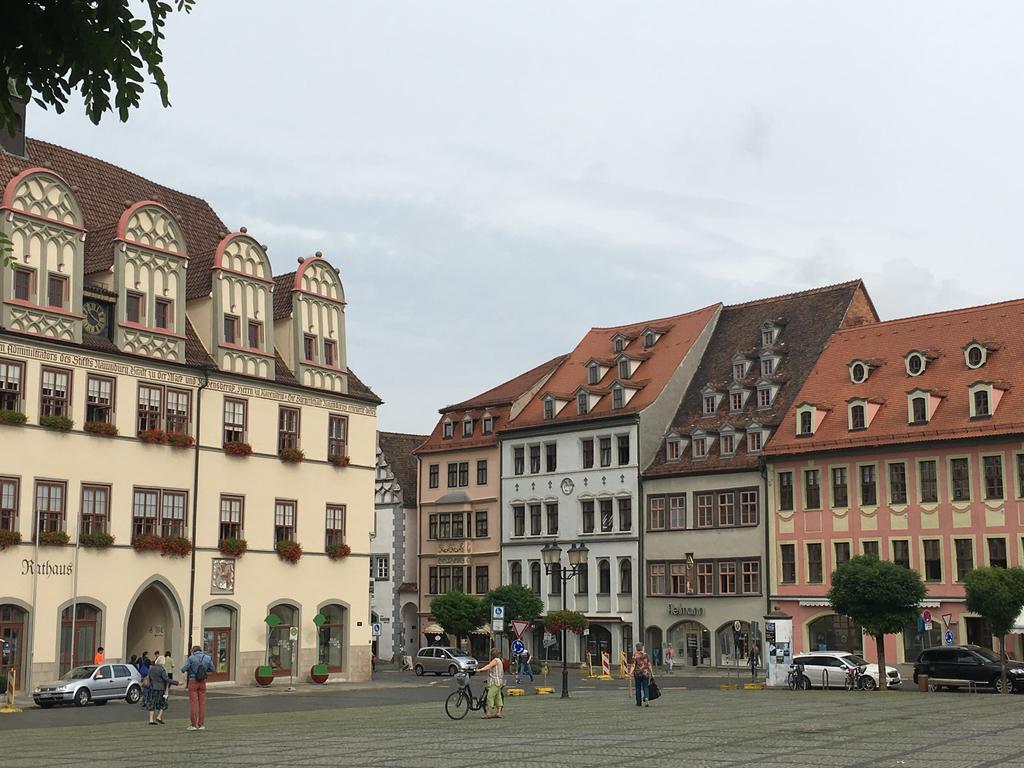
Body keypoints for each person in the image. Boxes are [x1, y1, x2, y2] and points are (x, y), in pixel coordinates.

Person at [181, 645, 214, 731]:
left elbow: (184, 669)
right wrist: (204, 671)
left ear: (193, 651)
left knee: (193, 703)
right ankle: (201, 724)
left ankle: (194, 724)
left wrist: (189, 670)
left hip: (193, 681)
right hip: (202, 681)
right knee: (202, 703)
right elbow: (213, 669)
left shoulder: (191, 658)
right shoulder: (207, 658)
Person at [475, 647, 504, 719]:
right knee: (498, 697)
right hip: (499, 681)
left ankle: (488, 713)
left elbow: (489, 666)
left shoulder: (495, 661)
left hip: (494, 681)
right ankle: (498, 712)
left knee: (490, 696)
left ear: (492, 655)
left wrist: (480, 670)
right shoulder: (499, 660)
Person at [146, 655, 170, 725]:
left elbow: (149, 678)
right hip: (160, 688)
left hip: (152, 687)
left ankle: (151, 720)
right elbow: (166, 679)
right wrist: (177, 683)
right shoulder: (162, 670)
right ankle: (159, 716)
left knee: (152, 703)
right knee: (163, 702)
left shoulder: (151, 668)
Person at [628, 643, 653, 707]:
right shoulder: (646, 655)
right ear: (642, 647)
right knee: (646, 687)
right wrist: (651, 672)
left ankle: (638, 702)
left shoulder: (635, 655)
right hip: (645, 673)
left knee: (638, 688)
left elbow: (633, 665)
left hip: (637, 673)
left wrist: (630, 673)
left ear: (636, 648)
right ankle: (646, 698)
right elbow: (649, 664)